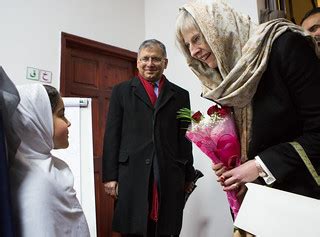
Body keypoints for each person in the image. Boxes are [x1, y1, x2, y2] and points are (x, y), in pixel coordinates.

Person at [175, 0, 320, 234]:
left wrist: (260, 166)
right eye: (187, 45)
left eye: (197, 38)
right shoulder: (228, 80)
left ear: (219, 27)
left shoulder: (284, 46)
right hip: (262, 205)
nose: (193, 51)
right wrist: (235, 166)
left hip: (305, 202)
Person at [102, 39, 196, 237]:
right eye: (145, 58)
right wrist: (110, 176)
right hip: (132, 172)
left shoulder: (181, 95)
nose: (150, 63)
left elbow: (185, 137)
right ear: (137, 62)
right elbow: (112, 134)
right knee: (134, 227)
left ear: (165, 63)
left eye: (156, 59)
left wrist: (189, 174)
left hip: (169, 171)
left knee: (165, 227)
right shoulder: (121, 91)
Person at [9, 84, 90, 237]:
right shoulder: (39, 186)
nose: (68, 122)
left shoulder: (26, 167)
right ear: (36, 122)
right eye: (61, 114)